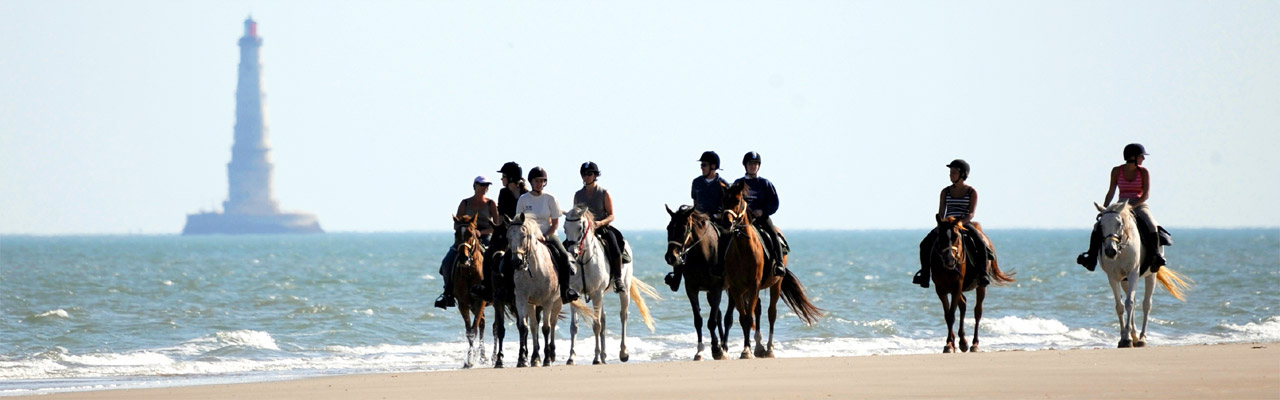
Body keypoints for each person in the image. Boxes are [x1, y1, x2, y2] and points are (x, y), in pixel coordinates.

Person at [1076, 143, 1168, 272]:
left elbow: (1145, 195)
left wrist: (1131, 207)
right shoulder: (1116, 171)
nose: (1143, 159)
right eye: (1142, 156)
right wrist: (1105, 209)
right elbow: (1111, 192)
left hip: (1139, 204)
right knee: (1098, 226)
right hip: (1120, 205)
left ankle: (1155, 256)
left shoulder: (1143, 172)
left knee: (1152, 225)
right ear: (1133, 157)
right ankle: (1091, 257)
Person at [913, 159, 994, 288]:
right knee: (925, 244)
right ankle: (925, 274)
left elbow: (971, 213)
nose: (951, 175)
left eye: (954, 172)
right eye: (950, 172)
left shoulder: (971, 192)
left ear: (963, 174)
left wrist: (960, 223)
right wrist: (942, 223)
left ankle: (983, 273)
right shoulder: (945, 191)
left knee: (981, 243)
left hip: (964, 222)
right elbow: (941, 212)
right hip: (947, 223)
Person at [667, 151, 730, 290]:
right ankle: (676, 277)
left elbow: (727, 206)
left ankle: (726, 270)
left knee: (727, 239)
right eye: (701, 165)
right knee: (682, 240)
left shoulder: (723, 185)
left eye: (704, 165)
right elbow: (695, 202)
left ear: (713, 167)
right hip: (698, 221)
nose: (701, 167)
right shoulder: (696, 182)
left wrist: (717, 216)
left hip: (716, 220)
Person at [515, 167, 579, 303]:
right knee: (511, 257)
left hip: (548, 234)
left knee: (563, 257)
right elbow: (520, 222)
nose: (539, 183)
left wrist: (546, 236)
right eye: (536, 181)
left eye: (542, 181)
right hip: (528, 237)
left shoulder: (550, 199)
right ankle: (509, 290)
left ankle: (566, 291)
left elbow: (555, 223)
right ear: (531, 182)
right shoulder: (523, 199)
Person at [435, 176, 500, 309]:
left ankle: (495, 290)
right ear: (474, 186)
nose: (485, 188)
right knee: (447, 261)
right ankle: (448, 292)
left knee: (495, 260)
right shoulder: (465, 203)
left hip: (485, 237)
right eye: (482, 185)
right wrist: (467, 230)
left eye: (487, 185)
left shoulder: (491, 203)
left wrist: (480, 233)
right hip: (465, 238)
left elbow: (496, 225)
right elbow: (456, 225)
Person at [573, 161, 630, 293]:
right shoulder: (578, 195)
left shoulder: (604, 193)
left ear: (595, 175)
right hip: (583, 230)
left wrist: (600, 223)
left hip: (600, 227)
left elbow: (611, 215)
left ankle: (618, 278)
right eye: (584, 174)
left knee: (615, 246)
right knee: (568, 247)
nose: (586, 176)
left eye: (590, 174)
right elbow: (575, 213)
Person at [733, 151, 786, 277]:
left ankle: (779, 263)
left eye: (756, 164)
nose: (753, 166)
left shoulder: (765, 184)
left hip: (761, 218)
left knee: (773, 234)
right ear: (745, 165)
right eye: (750, 163)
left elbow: (774, 203)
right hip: (742, 220)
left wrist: (762, 211)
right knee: (726, 235)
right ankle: (721, 264)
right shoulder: (738, 183)